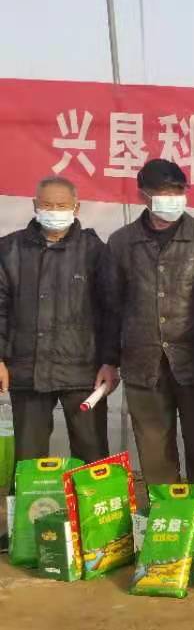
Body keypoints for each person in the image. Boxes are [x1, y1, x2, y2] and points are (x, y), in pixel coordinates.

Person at [105, 159, 194, 519]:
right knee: (154, 449)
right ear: (143, 195)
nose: (171, 199)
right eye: (162, 192)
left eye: (177, 192)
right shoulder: (121, 243)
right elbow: (111, 306)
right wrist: (109, 360)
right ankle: (169, 521)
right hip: (142, 362)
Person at [0, 177, 119, 466]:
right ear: (34, 205)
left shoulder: (96, 251)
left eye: (62, 205)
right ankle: (29, 499)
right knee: (28, 460)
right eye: (47, 205)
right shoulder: (9, 249)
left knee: (92, 457)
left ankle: (91, 499)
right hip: (27, 370)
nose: (54, 211)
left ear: (76, 208)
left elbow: (112, 311)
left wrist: (110, 361)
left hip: (85, 373)